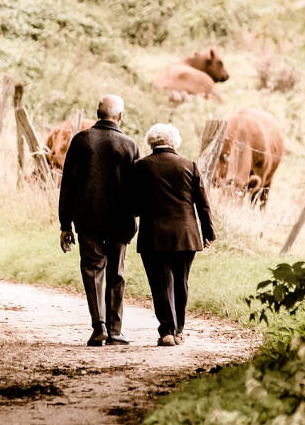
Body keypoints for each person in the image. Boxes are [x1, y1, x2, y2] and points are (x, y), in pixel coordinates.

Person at [59, 94, 140, 346]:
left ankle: (99, 327)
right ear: (120, 117)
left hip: (87, 219)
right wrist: (135, 217)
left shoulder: (81, 141)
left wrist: (65, 225)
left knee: (92, 271)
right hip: (120, 221)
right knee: (116, 273)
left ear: (97, 112)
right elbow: (137, 189)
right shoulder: (129, 145)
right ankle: (116, 331)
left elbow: (68, 186)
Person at [133, 123, 215, 346]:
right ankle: (179, 331)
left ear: (151, 142)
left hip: (153, 235)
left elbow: (133, 205)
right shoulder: (190, 166)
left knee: (160, 283)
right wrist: (208, 232)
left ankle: (167, 331)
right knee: (181, 282)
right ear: (174, 142)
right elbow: (203, 205)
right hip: (186, 235)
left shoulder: (141, 167)